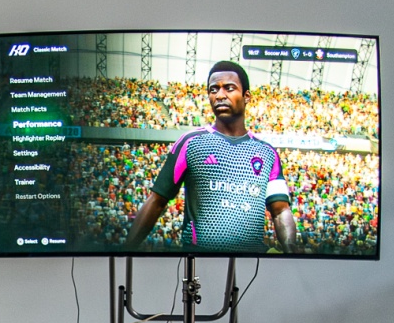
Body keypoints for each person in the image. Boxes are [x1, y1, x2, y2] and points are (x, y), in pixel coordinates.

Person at [124, 61, 295, 253]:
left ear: (246, 96)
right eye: (214, 90)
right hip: (199, 259)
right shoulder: (190, 143)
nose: (220, 95)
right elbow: (157, 200)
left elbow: (281, 211)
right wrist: (124, 251)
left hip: (252, 261)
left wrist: (291, 250)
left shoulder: (267, 152)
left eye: (229, 88)